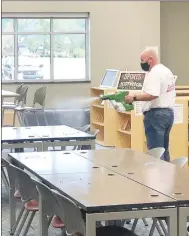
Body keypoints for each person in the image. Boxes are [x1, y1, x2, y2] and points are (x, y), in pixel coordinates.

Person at [125, 48, 176, 162]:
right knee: (164, 149)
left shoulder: (155, 73)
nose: (141, 63)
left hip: (156, 116)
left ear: (150, 60)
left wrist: (133, 97)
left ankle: (157, 178)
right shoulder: (166, 71)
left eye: (142, 60)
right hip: (168, 114)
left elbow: (152, 94)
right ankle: (166, 177)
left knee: (156, 152)